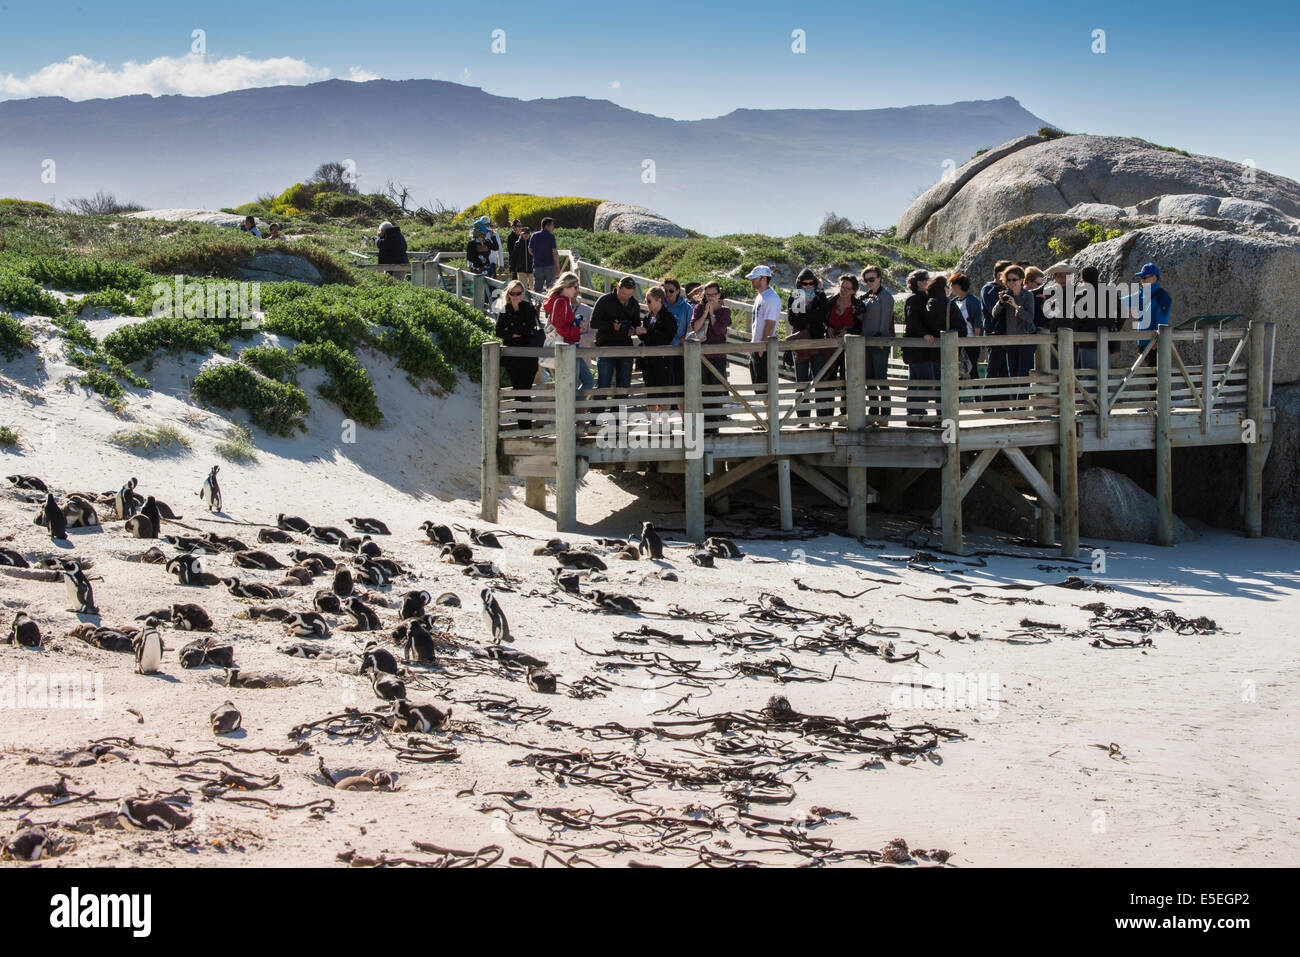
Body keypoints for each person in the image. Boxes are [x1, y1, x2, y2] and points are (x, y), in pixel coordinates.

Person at [495, 280, 544, 430]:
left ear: (523, 293)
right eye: (512, 293)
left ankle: (526, 427)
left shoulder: (528, 308)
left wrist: (513, 333)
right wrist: (516, 333)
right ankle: (524, 427)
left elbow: (527, 330)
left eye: (518, 293)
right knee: (518, 392)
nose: (515, 296)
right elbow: (498, 331)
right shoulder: (504, 309)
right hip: (512, 358)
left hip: (528, 357)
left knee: (524, 391)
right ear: (508, 294)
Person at [591, 277, 644, 409]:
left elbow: (637, 323)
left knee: (623, 388)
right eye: (624, 293)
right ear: (618, 287)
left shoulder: (634, 304)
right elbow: (594, 323)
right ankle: (595, 422)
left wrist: (632, 329)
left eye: (629, 295)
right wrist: (611, 325)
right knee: (603, 387)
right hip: (605, 348)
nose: (626, 297)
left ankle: (619, 424)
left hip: (625, 348)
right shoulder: (604, 300)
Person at [989, 266, 1037, 406]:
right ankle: (1014, 406)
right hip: (1010, 339)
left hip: (1026, 338)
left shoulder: (1028, 295)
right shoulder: (1005, 294)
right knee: (1012, 374)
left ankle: (1021, 408)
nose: (1011, 282)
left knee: (1023, 374)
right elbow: (993, 314)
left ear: (1021, 280)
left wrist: (1016, 306)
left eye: (1014, 280)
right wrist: (1000, 303)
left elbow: (1029, 318)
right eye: (1008, 280)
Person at [786, 268, 829, 418]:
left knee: (819, 381)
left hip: (817, 342)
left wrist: (804, 314)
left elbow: (823, 315)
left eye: (811, 283)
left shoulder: (820, 295)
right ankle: (803, 417)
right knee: (801, 382)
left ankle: (822, 417)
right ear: (799, 283)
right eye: (805, 283)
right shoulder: (794, 295)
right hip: (800, 343)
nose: (809, 286)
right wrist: (812, 314)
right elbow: (792, 320)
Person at [542, 272, 595, 392]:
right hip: (568, 348)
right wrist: (577, 327)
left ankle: (573, 408)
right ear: (567, 287)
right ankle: (572, 409)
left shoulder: (562, 301)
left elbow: (562, 325)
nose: (577, 290)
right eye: (575, 287)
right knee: (574, 386)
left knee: (586, 382)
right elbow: (561, 329)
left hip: (570, 347)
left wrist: (576, 321)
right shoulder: (561, 302)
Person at [690, 280, 732, 422]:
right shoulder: (698, 308)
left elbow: (719, 330)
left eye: (713, 295)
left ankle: (715, 420)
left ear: (719, 295)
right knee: (703, 388)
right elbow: (695, 327)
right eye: (708, 295)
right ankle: (706, 421)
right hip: (701, 355)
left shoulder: (725, 311)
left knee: (716, 388)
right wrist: (705, 313)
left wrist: (713, 313)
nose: (711, 298)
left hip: (718, 355)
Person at [902, 270, 940, 416]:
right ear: (919, 282)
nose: (929, 282)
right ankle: (915, 411)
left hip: (921, 348)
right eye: (927, 279)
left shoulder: (921, 298)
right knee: (920, 379)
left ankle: (917, 411)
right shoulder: (914, 299)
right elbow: (912, 321)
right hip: (916, 348)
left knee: (921, 379)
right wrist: (924, 333)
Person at [860, 266, 895, 422]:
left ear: (880, 278)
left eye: (872, 279)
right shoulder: (867, 296)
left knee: (881, 378)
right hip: (866, 343)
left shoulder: (886, 297)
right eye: (866, 280)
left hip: (879, 343)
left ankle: (885, 413)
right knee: (870, 378)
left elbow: (885, 321)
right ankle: (873, 410)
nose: (869, 283)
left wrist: (881, 340)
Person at [1121, 262, 1172, 364]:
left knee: (1155, 375)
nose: (1142, 281)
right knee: (1150, 376)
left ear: (1154, 278)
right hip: (1143, 342)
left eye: (1144, 278)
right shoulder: (1142, 294)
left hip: (1153, 344)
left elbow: (1162, 319)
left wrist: (1157, 340)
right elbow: (1122, 302)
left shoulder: (1162, 297)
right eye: (1141, 278)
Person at [639, 287, 677, 412]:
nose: (647, 303)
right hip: (649, 360)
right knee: (650, 393)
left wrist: (646, 332)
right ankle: (653, 426)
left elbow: (665, 338)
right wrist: (639, 332)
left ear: (659, 300)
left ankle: (664, 428)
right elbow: (646, 338)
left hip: (663, 360)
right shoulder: (647, 317)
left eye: (649, 301)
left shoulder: (668, 317)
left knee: (664, 394)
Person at [747, 265, 783, 384]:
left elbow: (770, 325)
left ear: (763, 279)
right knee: (759, 388)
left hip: (764, 348)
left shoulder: (771, 298)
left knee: (765, 389)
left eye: (754, 278)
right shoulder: (761, 296)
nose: (751, 280)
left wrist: (761, 349)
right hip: (757, 346)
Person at [661, 276, 693, 398]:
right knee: (664, 382)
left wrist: (685, 336)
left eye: (671, 291)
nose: (668, 294)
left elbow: (692, 326)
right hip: (663, 350)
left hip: (680, 350)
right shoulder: (659, 304)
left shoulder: (686, 308)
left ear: (678, 291)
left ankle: (680, 410)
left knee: (679, 381)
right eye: (665, 291)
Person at [981, 260, 1012, 379]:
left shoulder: (1006, 290)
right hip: (994, 332)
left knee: (1005, 371)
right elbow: (993, 311)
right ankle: (989, 397)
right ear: (1000, 275)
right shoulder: (989, 289)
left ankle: (1005, 397)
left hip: (1007, 333)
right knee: (994, 369)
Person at [949, 272, 983, 378]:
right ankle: (955, 394)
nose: (951, 287)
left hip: (970, 340)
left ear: (959, 286)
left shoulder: (973, 301)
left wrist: (975, 342)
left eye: (953, 285)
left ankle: (976, 394)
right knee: (955, 370)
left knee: (972, 370)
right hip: (956, 341)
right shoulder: (953, 302)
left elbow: (978, 323)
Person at [528, 217, 560, 292]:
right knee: (551, 288)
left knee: (538, 287)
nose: (553, 227)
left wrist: (536, 256)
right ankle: (549, 303)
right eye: (552, 225)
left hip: (538, 266)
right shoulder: (551, 237)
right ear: (547, 226)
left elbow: (530, 250)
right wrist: (558, 266)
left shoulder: (534, 235)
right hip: (550, 265)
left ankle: (537, 302)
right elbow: (554, 252)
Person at [507, 219, 534, 290]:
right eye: (524, 233)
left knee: (533, 287)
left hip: (532, 268)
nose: (526, 235)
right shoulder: (517, 243)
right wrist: (512, 267)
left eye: (527, 233)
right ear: (521, 234)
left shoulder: (533, 243)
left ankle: (534, 301)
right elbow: (513, 256)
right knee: (523, 287)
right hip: (521, 268)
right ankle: (524, 300)